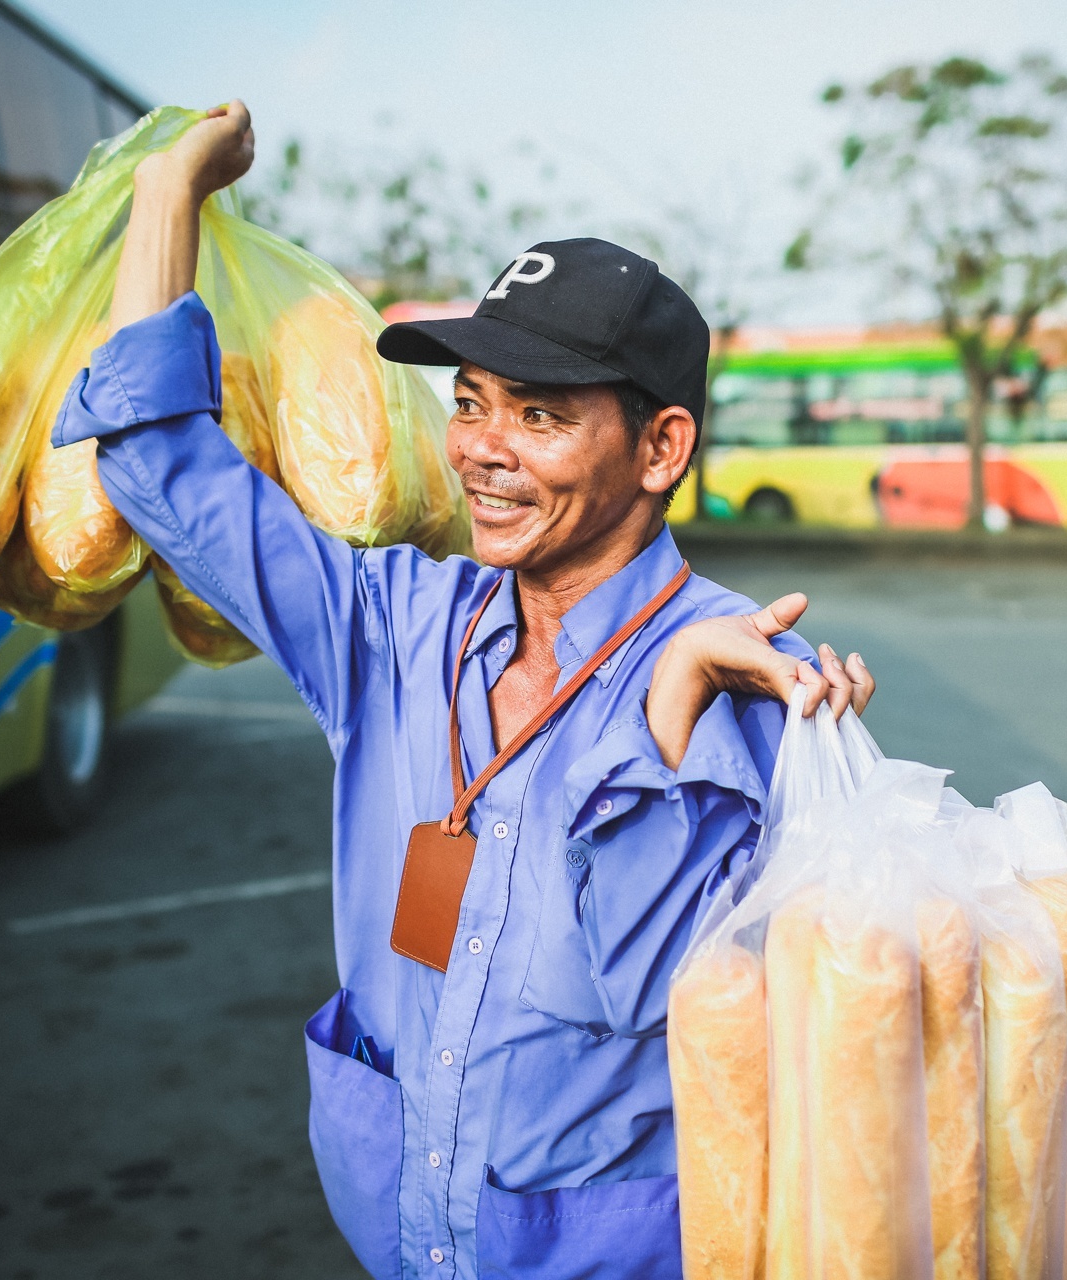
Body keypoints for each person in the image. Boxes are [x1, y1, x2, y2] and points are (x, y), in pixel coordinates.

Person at [52, 102, 873, 1279]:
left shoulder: (747, 676)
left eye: (539, 414)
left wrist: (663, 715)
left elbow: (647, 987)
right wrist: (168, 192)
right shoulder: (396, 625)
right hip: (396, 1226)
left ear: (660, 448)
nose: (484, 448)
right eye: (473, 401)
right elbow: (155, 459)